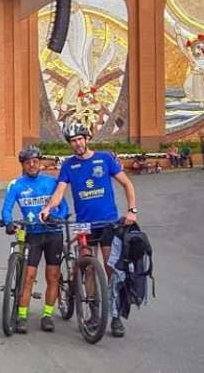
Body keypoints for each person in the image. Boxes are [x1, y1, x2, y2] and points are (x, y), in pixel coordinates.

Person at [40, 121, 138, 338]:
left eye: (79, 139)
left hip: (108, 222)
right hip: (85, 225)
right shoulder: (68, 165)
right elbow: (60, 192)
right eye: (73, 141)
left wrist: (132, 210)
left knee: (112, 269)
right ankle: (94, 311)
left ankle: (114, 315)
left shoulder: (104, 159)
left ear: (86, 138)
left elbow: (127, 184)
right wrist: (48, 207)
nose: (77, 144)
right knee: (88, 268)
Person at [1, 145, 69, 333]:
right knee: (28, 276)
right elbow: (6, 209)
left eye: (35, 161)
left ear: (40, 163)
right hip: (33, 234)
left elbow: (64, 207)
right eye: (28, 162)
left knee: (52, 276)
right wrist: (8, 222)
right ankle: (22, 315)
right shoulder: (16, 185)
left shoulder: (51, 182)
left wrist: (59, 217)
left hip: (53, 232)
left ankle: (47, 315)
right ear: (22, 165)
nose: (32, 164)